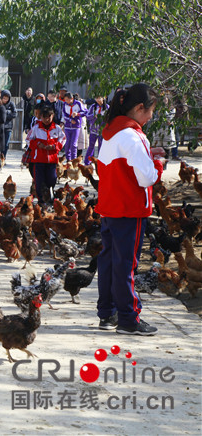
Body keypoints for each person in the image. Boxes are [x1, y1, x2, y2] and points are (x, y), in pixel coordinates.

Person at [95, 83, 165, 336]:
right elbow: (146, 177)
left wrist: (148, 156)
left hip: (110, 207)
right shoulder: (134, 136)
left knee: (109, 261)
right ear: (139, 108)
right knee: (126, 265)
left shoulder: (111, 133)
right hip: (130, 208)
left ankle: (107, 313)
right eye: (150, 111)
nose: (151, 117)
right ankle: (128, 318)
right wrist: (157, 164)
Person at [25, 103, 66, 204]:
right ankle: (41, 201)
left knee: (52, 179)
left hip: (52, 159)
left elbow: (63, 138)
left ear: (52, 116)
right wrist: (38, 144)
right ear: (41, 117)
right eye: (44, 117)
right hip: (38, 159)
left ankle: (50, 197)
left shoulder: (57, 128)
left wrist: (54, 146)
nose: (47, 119)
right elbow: (28, 139)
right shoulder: (36, 128)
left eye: (49, 117)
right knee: (39, 181)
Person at [62, 92, 87, 161]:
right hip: (67, 126)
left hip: (76, 127)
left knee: (73, 144)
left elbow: (85, 112)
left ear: (72, 99)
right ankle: (68, 159)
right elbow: (64, 115)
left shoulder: (78, 103)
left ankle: (73, 160)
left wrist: (77, 114)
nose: (66, 101)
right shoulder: (64, 104)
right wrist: (70, 120)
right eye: (65, 100)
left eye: (67, 99)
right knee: (67, 144)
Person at [84, 95, 108, 164]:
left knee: (101, 147)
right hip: (93, 130)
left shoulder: (107, 107)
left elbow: (109, 118)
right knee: (91, 146)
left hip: (102, 130)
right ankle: (87, 162)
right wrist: (94, 116)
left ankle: (101, 163)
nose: (98, 100)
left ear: (103, 97)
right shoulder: (93, 106)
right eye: (96, 98)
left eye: (99, 98)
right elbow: (87, 116)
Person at [0, 90, 17, 157]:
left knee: (6, 143)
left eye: (7, 98)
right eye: (4, 98)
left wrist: (5, 116)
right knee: (0, 143)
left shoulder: (11, 104)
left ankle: (4, 157)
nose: (5, 100)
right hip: (0, 126)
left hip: (8, 127)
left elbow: (14, 114)